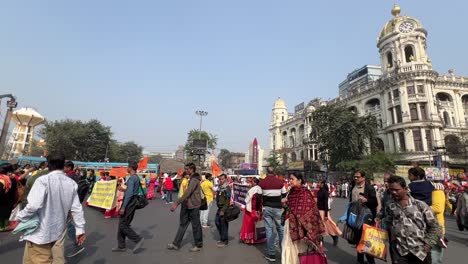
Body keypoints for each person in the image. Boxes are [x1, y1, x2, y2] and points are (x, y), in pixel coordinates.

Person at [17, 155, 86, 263]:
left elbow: (33, 205)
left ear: (48, 165)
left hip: (40, 232)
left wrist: (20, 216)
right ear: (63, 166)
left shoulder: (42, 181)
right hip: (59, 229)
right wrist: (80, 229)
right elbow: (77, 209)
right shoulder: (71, 183)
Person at [384, 176, 443, 264]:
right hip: (399, 251)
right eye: (391, 190)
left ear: (405, 189)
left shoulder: (421, 205)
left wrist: (428, 244)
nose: (393, 192)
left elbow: (437, 228)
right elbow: (388, 224)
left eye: (396, 190)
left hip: (420, 252)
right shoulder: (390, 206)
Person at [281, 173, 325, 264]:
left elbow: (310, 210)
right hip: (290, 224)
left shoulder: (304, 192)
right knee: (288, 246)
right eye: (290, 179)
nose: (290, 181)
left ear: (299, 180)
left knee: (300, 249)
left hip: (301, 227)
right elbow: (290, 207)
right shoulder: (291, 191)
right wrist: (285, 203)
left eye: (292, 179)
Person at [167, 163, 203, 252]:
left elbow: (187, 192)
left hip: (194, 206)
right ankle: (176, 243)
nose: (185, 171)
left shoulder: (194, 180)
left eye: (187, 169)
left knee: (196, 226)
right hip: (187, 205)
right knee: (183, 225)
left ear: (191, 170)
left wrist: (176, 203)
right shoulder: (190, 179)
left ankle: (198, 245)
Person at [112, 162, 145, 253]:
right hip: (133, 202)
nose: (127, 168)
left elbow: (129, 194)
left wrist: (123, 207)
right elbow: (131, 190)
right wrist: (123, 189)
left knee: (123, 225)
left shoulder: (131, 179)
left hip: (129, 203)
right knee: (122, 224)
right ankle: (121, 246)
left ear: (131, 168)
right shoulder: (136, 178)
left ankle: (137, 239)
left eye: (128, 167)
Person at [259, 166, 287, 262]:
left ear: (266, 172)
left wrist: (259, 208)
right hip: (278, 208)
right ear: (275, 172)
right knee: (281, 229)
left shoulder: (262, 182)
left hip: (266, 208)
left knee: (269, 229)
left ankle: (271, 254)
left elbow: (259, 197)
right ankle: (284, 252)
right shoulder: (280, 182)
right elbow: (284, 195)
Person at [350, 170, 378, 264]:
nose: (356, 178)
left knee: (366, 241)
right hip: (355, 218)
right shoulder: (353, 186)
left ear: (363, 178)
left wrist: (366, 200)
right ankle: (360, 260)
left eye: (358, 177)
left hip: (366, 219)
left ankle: (371, 261)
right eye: (355, 176)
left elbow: (375, 202)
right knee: (358, 240)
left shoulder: (369, 188)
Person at [240, 177, 265, 244]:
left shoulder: (252, 190)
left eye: (251, 182)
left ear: (254, 182)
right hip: (259, 209)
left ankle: (250, 239)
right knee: (257, 224)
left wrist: (242, 206)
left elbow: (247, 199)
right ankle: (258, 238)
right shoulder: (260, 189)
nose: (250, 183)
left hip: (251, 210)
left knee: (249, 224)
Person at [317, 180, 341, 246]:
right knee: (320, 227)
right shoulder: (319, 191)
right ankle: (320, 241)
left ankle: (334, 237)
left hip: (324, 211)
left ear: (322, 183)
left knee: (328, 225)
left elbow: (326, 204)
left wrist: (326, 214)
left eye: (319, 182)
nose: (318, 183)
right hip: (319, 210)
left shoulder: (325, 192)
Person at [430, 181, 446, 264]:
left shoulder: (437, 192)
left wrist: (420, 207)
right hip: (435, 226)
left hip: (435, 227)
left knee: (434, 254)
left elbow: (437, 208)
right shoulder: (439, 192)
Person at [215, 174, 231, 247]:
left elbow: (228, 200)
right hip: (219, 208)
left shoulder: (227, 188)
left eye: (222, 179)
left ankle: (224, 240)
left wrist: (223, 210)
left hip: (224, 208)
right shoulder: (220, 187)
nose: (221, 180)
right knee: (217, 222)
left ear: (225, 179)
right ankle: (222, 237)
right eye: (220, 179)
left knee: (223, 224)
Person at [0, 164, 17, 232]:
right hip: (9, 202)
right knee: (5, 215)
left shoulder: (2, 179)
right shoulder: (12, 179)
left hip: (3, 201)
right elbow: (13, 191)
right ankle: (4, 226)